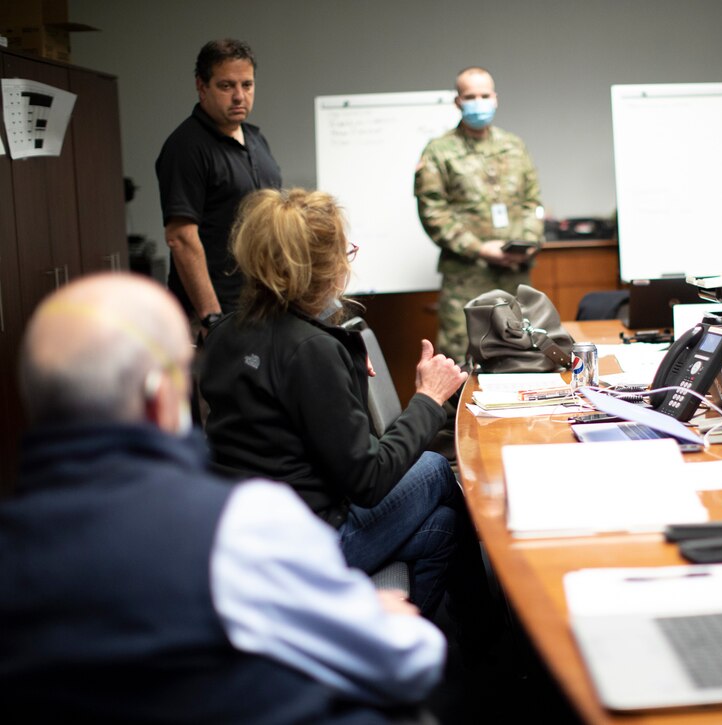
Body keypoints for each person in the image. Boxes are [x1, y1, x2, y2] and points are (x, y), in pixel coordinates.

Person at [0, 273, 444, 721]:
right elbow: (407, 662)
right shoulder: (235, 526)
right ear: (160, 400)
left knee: (439, 527)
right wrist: (367, 614)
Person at [200, 188, 495, 638]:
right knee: (436, 468)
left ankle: (458, 644)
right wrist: (429, 399)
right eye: (344, 253)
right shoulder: (310, 351)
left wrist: (342, 360)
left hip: (246, 542)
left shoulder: (224, 333)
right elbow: (369, 479)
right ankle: (474, 646)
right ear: (323, 268)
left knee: (444, 526)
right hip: (309, 545)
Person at [415, 66, 544, 365]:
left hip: (515, 274)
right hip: (467, 277)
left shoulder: (514, 145)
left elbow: (532, 201)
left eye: (484, 95)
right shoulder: (439, 151)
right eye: (470, 96)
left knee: (523, 354)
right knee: (460, 358)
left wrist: (527, 242)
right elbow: (433, 212)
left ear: (496, 98)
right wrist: (479, 248)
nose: (479, 102)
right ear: (458, 101)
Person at [156, 38, 282, 333]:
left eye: (247, 85)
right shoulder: (186, 146)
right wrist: (212, 319)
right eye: (227, 86)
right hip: (213, 316)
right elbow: (181, 237)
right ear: (202, 87)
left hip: (258, 308)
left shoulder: (255, 139)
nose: (239, 96)